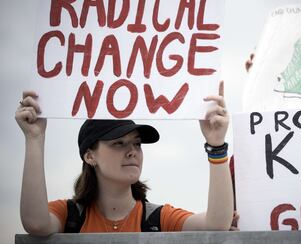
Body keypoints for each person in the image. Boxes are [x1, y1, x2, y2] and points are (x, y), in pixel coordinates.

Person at [15, 82, 233, 235]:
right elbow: (35, 223)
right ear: (90, 156)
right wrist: (34, 138)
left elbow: (216, 225)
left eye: (137, 143)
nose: (132, 151)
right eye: (118, 143)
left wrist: (216, 145)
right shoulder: (69, 216)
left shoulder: (157, 219)